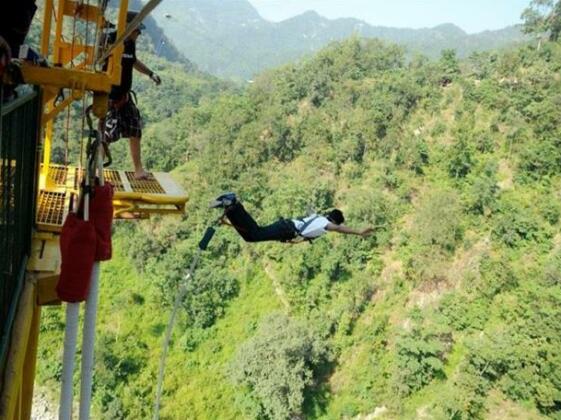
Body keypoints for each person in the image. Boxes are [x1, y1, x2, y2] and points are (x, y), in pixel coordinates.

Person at [104, 11, 162, 180]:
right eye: (137, 30)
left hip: (125, 97)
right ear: (128, 28)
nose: (139, 34)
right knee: (106, 135)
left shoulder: (130, 44)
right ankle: (94, 170)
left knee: (135, 130)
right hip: (110, 98)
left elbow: (133, 61)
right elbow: (100, 60)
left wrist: (150, 74)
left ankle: (138, 170)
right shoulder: (112, 40)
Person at [210, 193, 374, 243]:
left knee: (251, 237)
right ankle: (233, 204)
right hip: (286, 229)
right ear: (334, 221)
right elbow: (338, 229)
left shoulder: (318, 219)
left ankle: (230, 209)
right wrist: (359, 232)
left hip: (286, 229)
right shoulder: (325, 224)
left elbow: (308, 224)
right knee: (255, 234)